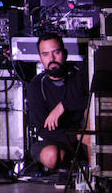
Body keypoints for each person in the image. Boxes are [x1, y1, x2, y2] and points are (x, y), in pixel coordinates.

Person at [26, 32, 89, 172]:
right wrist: (77, 136)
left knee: (90, 124)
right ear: (40, 58)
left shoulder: (79, 75)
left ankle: (94, 174)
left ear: (65, 54)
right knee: (51, 156)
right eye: (46, 54)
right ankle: (66, 170)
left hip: (85, 136)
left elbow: (93, 100)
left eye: (56, 52)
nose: (52, 58)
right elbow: (42, 128)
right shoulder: (36, 85)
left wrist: (64, 105)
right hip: (55, 140)